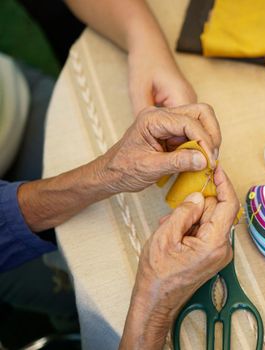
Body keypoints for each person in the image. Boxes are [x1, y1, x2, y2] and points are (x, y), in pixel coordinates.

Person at [1, 0, 238, 347]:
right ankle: (69, 326)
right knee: (90, 290)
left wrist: (144, 42)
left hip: (15, 102)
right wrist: (153, 310)